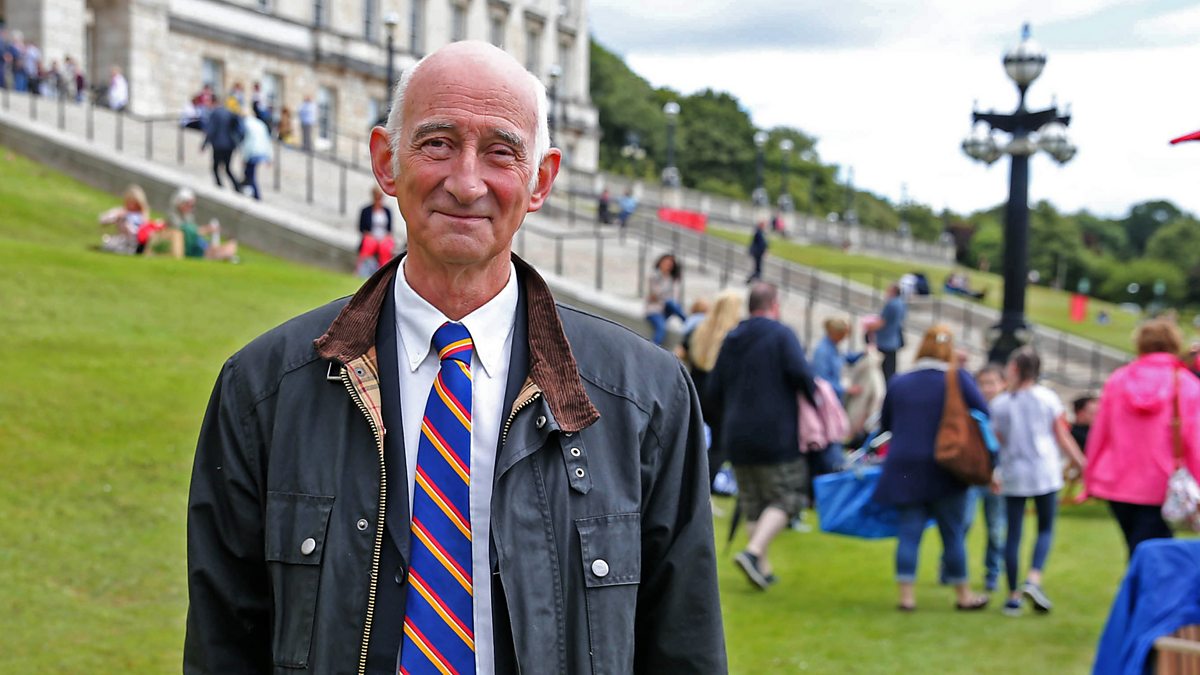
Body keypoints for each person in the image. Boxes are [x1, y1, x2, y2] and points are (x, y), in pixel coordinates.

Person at [184, 40, 726, 673]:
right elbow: (224, 648)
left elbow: (683, 649)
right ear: (386, 163)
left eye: (501, 152)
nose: (466, 182)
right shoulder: (264, 391)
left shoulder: (645, 398)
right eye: (436, 143)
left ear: (540, 180)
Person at [704, 282, 816, 590]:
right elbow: (802, 376)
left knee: (754, 501)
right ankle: (754, 554)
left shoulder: (732, 338)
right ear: (774, 304)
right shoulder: (781, 334)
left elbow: (713, 390)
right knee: (789, 496)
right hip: (775, 432)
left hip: (736, 434)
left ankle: (761, 570)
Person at [873, 324, 990, 612]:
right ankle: (963, 594)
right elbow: (983, 413)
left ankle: (906, 597)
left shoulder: (900, 381)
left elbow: (885, 424)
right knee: (952, 532)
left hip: (904, 465)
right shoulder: (957, 378)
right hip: (946, 464)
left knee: (909, 532)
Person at [1085, 319, 1200, 558]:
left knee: (1140, 551)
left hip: (1117, 480)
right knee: (1150, 556)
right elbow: (1195, 441)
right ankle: (1140, 594)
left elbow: (1099, 434)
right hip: (1163, 485)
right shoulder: (1186, 384)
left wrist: (1091, 477)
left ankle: (1138, 593)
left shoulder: (1118, 379)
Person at [990, 347, 1086, 616]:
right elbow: (1062, 436)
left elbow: (997, 442)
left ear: (1016, 369)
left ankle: (1012, 596)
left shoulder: (1001, 403)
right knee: (1045, 527)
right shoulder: (1047, 398)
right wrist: (1081, 463)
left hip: (1014, 472)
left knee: (1013, 534)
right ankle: (1033, 578)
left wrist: (993, 470)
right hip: (1045, 471)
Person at [686, 289, 743, 480]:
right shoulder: (734, 339)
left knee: (689, 438)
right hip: (718, 398)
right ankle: (704, 486)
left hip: (695, 388)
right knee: (719, 446)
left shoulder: (700, 329)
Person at [962, 364, 1008, 593]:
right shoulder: (970, 412)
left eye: (991, 383)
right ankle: (952, 567)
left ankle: (993, 573)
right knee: (963, 523)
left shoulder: (1008, 411)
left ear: (1003, 384)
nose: (986, 389)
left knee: (996, 529)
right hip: (972, 477)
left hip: (997, 479)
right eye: (982, 384)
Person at [169, 187, 239, 261]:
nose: (190, 208)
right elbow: (188, 232)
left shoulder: (188, 218)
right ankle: (220, 254)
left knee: (231, 245)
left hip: (201, 247)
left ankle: (221, 254)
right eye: (188, 204)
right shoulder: (175, 218)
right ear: (180, 203)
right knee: (227, 249)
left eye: (192, 205)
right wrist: (207, 229)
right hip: (192, 251)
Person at [644, 253, 686, 346]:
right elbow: (655, 294)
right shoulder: (655, 275)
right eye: (666, 263)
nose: (667, 266)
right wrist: (664, 277)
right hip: (654, 310)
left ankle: (686, 322)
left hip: (667, 309)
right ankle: (653, 349)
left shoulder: (673, 279)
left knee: (671, 303)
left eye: (670, 264)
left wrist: (663, 298)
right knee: (661, 328)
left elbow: (675, 298)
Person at [868, 283, 906, 384]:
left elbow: (882, 322)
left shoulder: (891, 304)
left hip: (885, 342)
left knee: (883, 373)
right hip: (894, 341)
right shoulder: (901, 303)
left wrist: (869, 327)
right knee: (891, 370)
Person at [201, 101, 242, 190]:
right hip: (230, 145)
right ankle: (237, 186)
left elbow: (211, 130)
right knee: (227, 168)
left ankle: (220, 186)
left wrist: (204, 144)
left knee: (215, 167)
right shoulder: (230, 113)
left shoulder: (215, 113)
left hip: (218, 145)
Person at [97, 184, 149, 255]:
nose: (132, 206)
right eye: (130, 202)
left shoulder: (142, 216)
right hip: (122, 240)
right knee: (110, 244)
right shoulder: (122, 211)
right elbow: (102, 220)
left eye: (135, 203)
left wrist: (128, 225)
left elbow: (139, 233)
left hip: (135, 244)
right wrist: (117, 216)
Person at [357, 185, 395, 276]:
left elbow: (389, 230)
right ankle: (361, 271)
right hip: (371, 236)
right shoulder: (366, 210)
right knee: (368, 245)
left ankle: (385, 273)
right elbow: (362, 228)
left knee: (386, 247)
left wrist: (384, 238)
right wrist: (372, 237)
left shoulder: (387, 211)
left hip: (384, 237)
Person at [238, 109, 273, 200]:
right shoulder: (260, 124)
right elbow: (267, 140)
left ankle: (256, 194)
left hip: (252, 151)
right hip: (261, 151)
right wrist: (269, 156)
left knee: (250, 172)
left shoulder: (246, 124)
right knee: (250, 171)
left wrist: (244, 156)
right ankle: (245, 187)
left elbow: (247, 142)